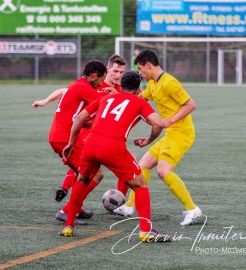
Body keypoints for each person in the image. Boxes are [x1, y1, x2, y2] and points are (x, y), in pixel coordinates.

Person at [59, 71, 170, 242]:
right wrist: (148, 140)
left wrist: (71, 143)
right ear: (138, 88)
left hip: (90, 145)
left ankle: (68, 225)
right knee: (140, 185)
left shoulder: (105, 98)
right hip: (112, 148)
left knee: (81, 180)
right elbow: (158, 124)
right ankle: (146, 231)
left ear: (122, 85)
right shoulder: (139, 102)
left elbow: (80, 117)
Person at [113, 50, 202, 226]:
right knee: (143, 165)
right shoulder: (153, 84)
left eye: (140, 68)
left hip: (181, 133)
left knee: (163, 171)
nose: (139, 73)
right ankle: (130, 206)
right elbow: (137, 99)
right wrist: (116, 97)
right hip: (171, 134)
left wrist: (171, 120)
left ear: (149, 65)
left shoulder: (169, 82)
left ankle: (192, 209)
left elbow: (191, 104)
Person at [33, 54, 130, 205]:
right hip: (78, 134)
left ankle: (71, 202)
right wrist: (46, 100)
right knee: (95, 172)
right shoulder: (91, 87)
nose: (118, 75)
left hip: (77, 132)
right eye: (115, 71)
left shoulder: (90, 84)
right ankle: (70, 207)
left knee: (85, 170)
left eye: (121, 72)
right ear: (107, 69)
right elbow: (108, 108)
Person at [48, 60, 107, 224]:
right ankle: (66, 211)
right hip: (65, 138)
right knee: (95, 174)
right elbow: (104, 106)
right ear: (94, 75)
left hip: (58, 136)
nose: (101, 84)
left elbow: (77, 118)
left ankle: (77, 209)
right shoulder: (84, 88)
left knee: (80, 172)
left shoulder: (75, 84)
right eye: (101, 80)